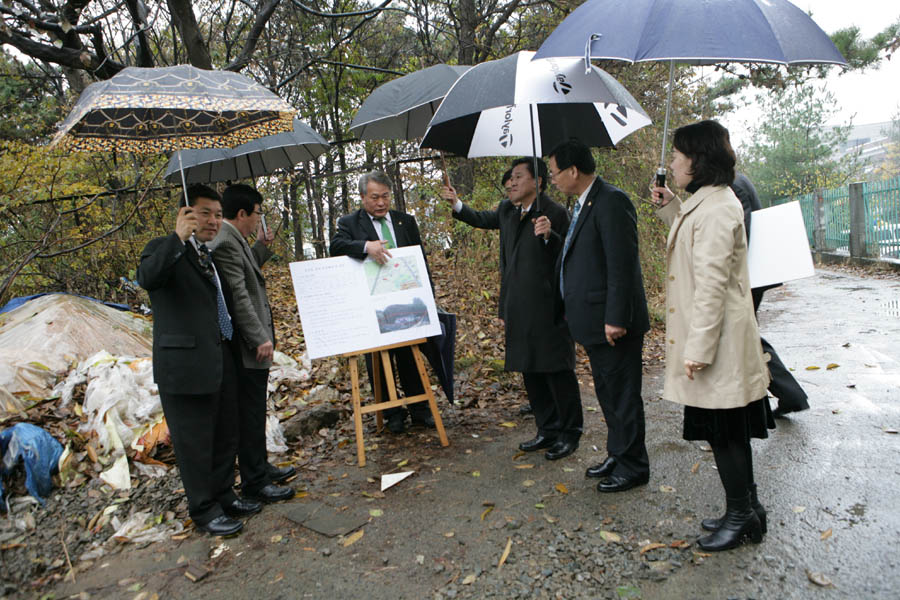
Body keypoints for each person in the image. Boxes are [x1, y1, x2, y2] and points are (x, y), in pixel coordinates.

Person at [651, 120, 772, 552]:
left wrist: (697, 349)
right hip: (717, 338)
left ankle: (741, 514)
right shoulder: (707, 202)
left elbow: (712, 285)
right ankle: (749, 510)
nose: (672, 162)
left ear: (698, 160)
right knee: (726, 429)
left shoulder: (720, 206)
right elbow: (693, 238)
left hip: (718, 341)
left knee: (725, 432)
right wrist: (670, 206)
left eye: (678, 155)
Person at [137, 185, 259, 536]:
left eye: (219, 215)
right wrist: (177, 238)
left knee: (224, 433)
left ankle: (224, 495)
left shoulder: (207, 255)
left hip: (220, 357)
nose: (213, 221)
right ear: (185, 213)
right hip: (184, 367)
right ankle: (203, 509)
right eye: (205, 213)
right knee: (195, 442)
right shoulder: (161, 249)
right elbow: (149, 278)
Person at [442, 158, 582, 460]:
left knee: (557, 370)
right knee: (529, 367)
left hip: (549, 306)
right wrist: (457, 204)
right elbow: (482, 218)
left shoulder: (556, 213)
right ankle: (546, 428)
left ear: (539, 182)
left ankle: (569, 433)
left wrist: (550, 235)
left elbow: (572, 256)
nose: (511, 183)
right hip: (516, 304)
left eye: (518, 177)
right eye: (509, 178)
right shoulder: (507, 210)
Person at [536, 140, 651, 492]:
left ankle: (634, 466)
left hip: (613, 324)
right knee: (607, 392)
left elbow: (622, 266)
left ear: (573, 171)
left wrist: (616, 317)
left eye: (554, 172)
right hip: (592, 323)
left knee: (623, 395)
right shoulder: (584, 203)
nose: (552, 179)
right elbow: (581, 257)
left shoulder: (612, 201)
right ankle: (619, 453)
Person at [329, 171, 436, 434]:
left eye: (385, 196)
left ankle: (420, 410)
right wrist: (366, 247)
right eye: (374, 197)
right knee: (378, 358)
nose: (381, 203)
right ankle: (391, 414)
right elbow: (336, 246)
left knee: (410, 355)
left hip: (405, 298)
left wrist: (429, 295)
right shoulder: (348, 222)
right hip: (371, 301)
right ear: (363, 197)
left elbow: (420, 257)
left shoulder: (405, 221)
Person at [210, 184, 295, 504]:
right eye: (258, 213)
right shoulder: (226, 242)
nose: (260, 219)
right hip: (246, 346)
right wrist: (259, 336)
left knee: (254, 410)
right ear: (243, 213)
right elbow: (239, 296)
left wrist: (261, 247)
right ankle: (255, 481)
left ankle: (258, 467)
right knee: (248, 412)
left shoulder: (236, 241)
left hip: (249, 343)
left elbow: (246, 274)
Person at [730, 173, 810, 418]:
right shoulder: (739, 180)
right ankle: (788, 395)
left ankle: (780, 397)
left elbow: (742, 235)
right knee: (746, 336)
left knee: (744, 337)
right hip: (752, 277)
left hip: (748, 278)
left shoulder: (733, 185)